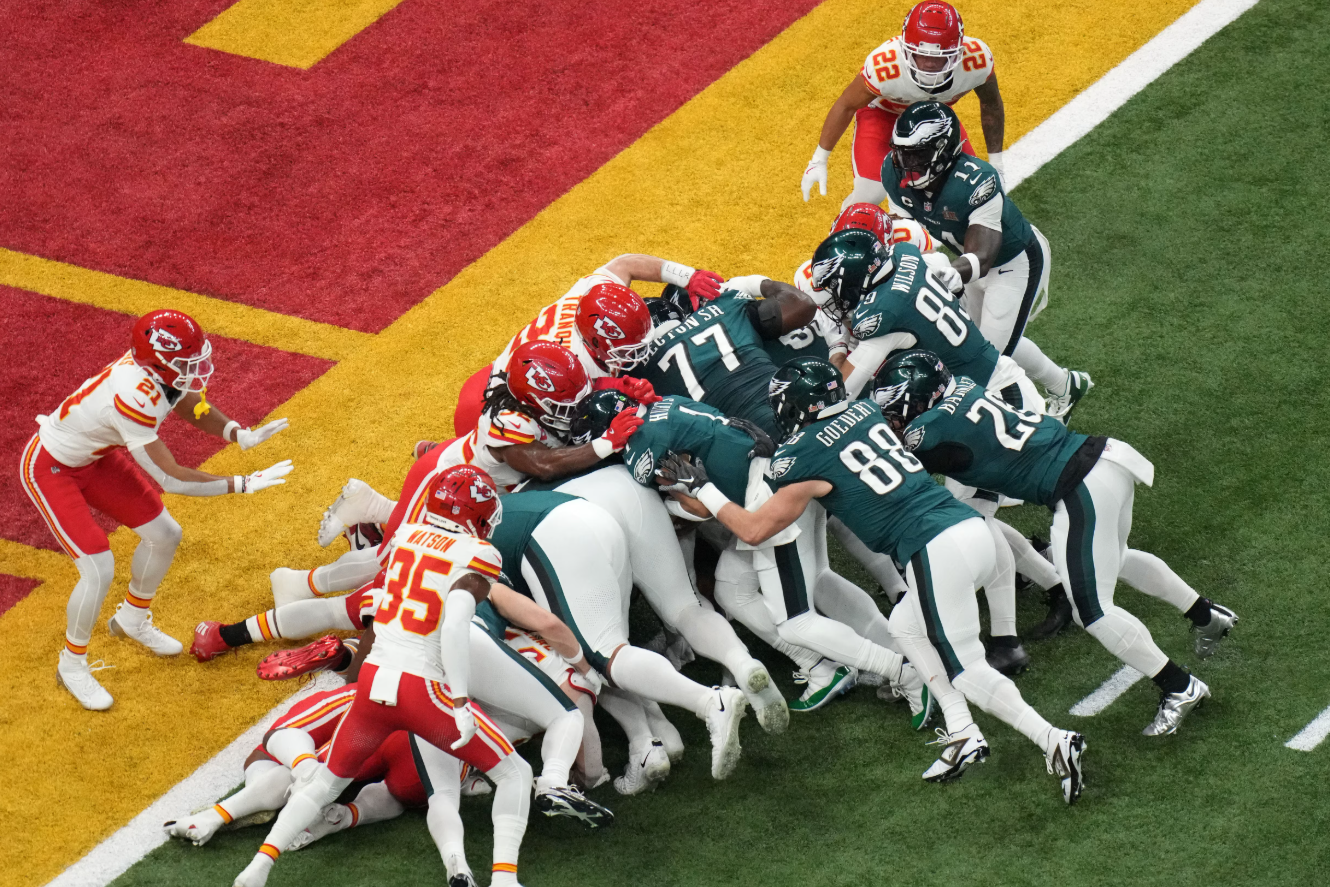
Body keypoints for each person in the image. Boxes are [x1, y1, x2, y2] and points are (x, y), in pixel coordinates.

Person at [661, 357, 1086, 803]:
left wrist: (703, 488)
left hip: (933, 546)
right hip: (969, 529)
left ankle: (1053, 739)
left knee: (967, 668)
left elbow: (751, 529)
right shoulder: (864, 412)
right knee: (904, 626)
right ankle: (962, 729)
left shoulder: (800, 456)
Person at [874, 350, 1238, 735]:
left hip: (1078, 487)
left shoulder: (927, 431)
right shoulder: (963, 389)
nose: (895, 420)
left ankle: (1179, 686)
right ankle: (1207, 616)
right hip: (1103, 458)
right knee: (1116, 559)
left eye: (896, 410)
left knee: (1092, 611)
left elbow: (893, 473)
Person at [232, 465, 531, 887]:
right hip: (422, 687)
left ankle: (258, 867)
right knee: (515, 773)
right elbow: (453, 626)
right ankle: (504, 880)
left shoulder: (407, 534)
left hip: (372, 682)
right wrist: (461, 700)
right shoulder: (479, 555)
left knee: (323, 784)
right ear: (475, 516)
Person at [19, 309, 292, 710]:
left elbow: (186, 403)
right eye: (186, 362)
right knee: (98, 567)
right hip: (52, 467)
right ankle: (71, 663)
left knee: (165, 535)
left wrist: (237, 433)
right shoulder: (131, 393)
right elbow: (172, 479)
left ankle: (131, 619)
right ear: (158, 361)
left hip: (94, 458)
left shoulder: (159, 375)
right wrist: (242, 483)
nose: (197, 368)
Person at [621, 393, 930, 724]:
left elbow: (703, 509)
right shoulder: (669, 407)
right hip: (773, 484)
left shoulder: (649, 442)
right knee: (738, 589)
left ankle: (901, 670)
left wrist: (673, 504)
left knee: (796, 622)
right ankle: (825, 666)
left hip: (767, 507)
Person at [485, 490, 749, 780]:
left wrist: (581, 660)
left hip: (554, 536)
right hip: (599, 515)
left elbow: (543, 624)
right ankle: (650, 745)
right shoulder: (487, 514)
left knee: (600, 656)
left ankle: (709, 702)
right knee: (614, 651)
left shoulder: (461, 551)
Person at [881, 100, 1092, 418]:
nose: (905, 161)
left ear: (943, 149)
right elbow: (905, 229)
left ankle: (1034, 431)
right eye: (901, 150)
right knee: (980, 341)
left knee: (984, 362)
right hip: (966, 265)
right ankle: (1065, 385)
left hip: (1012, 262)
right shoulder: (893, 173)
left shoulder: (977, 181)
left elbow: (983, 252)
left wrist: (954, 273)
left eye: (917, 153)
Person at [451, 254, 722, 437]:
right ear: (594, 344)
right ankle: (449, 453)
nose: (641, 352)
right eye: (628, 349)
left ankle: (448, 451)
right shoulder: (574, 365)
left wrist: (687, 276)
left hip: (494, 374)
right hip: (496, 410)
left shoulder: (595, 293)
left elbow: (625, 263)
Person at [801, 1, 1004, 208]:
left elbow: (991, 104)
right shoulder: (884, 66)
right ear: (905, 48)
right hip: (883, 114)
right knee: (869, 194)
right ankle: (844, 234)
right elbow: (846, 105)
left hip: (934, 119)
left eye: (939, 57)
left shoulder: (977, 60)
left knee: (973, 189)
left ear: (958, 52)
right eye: (922, 54)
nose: (929, 64)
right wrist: (819, 159)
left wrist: (997, 163)